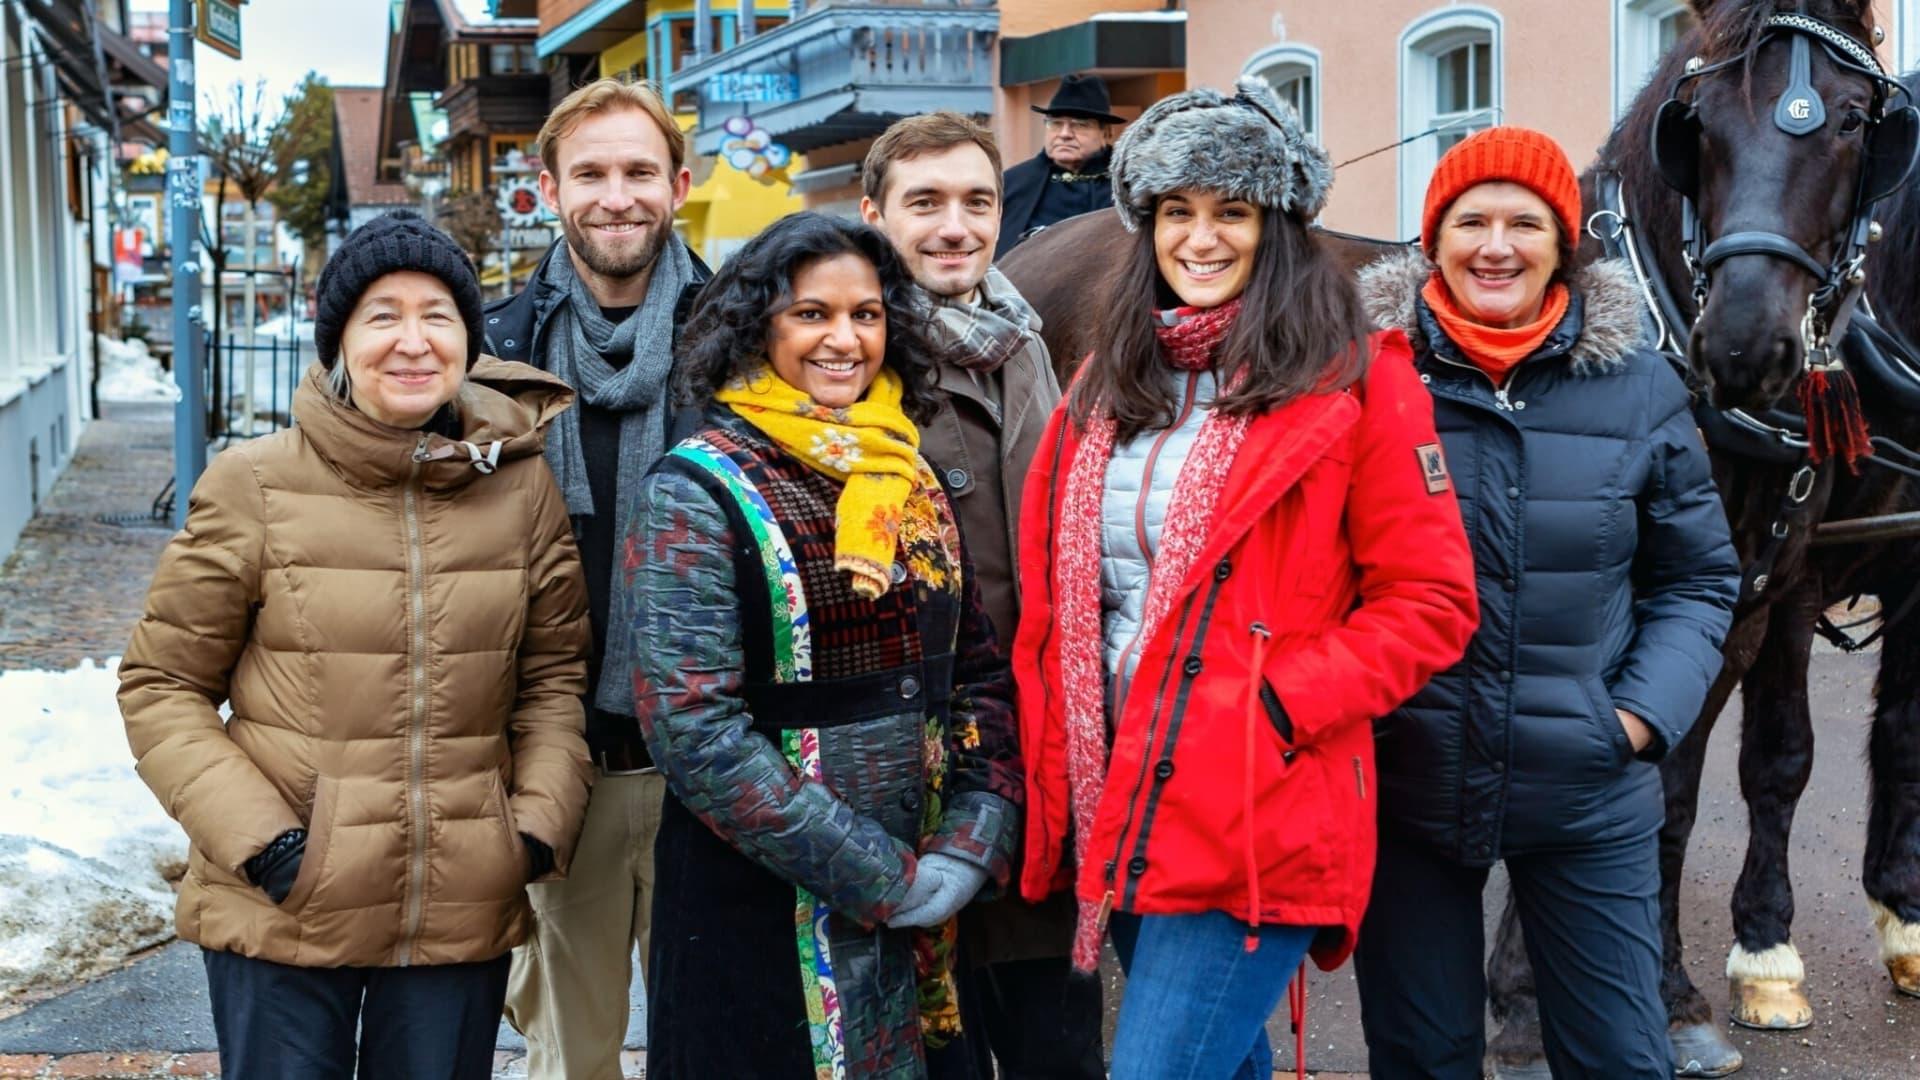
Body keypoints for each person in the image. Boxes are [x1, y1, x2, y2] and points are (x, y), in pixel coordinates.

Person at [1012, 78, 1481, 1080]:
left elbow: (1433, 602)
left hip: (1255, 804)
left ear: (1278, 224)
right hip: (1119, 790)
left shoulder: (1359, 378)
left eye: (1232, 210)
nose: (1203, 237)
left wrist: (1273, 705)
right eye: (1177, 211)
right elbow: (1067, 595)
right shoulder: (1105, 383)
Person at [118, 210, 593, 1079]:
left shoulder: (521, 488)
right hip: (284, 909)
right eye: (382, 315)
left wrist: (526, 831)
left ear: (467, 338)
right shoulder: (254, 483)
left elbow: (554, 678)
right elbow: (161, 686)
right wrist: (268, 846)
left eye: (437, 315)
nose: (412, 341)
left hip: (457, 906)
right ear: (339, 339)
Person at [1351, 126, 1741, 1079]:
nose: (1497, 245)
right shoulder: (1365, 378)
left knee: (1617, 1055)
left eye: (1524, 222)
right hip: (1405, 781)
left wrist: (1638, 720)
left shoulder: (1639, 387)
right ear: (1431, 242)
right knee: (1421, 1056)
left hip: (1587, 786)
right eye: (1470, 221)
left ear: (1562, 244)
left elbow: (1697, 578)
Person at [630, 212, 1022, 1078]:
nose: (845, 339)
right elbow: (693, 730)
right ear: (758, 325)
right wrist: (879, 876)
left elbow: (976, 673)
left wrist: (971, 837)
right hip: (759, 910)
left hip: (928, 899)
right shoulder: (698, 484)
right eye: (812, 314)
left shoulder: (906, 474)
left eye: (868, 315)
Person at [860, 113, 1101, 1079]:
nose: (955, 227)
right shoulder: (850, 362)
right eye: (925, 204)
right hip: (919, 788)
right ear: (874, 215)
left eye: (976, 202)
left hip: (1041, 773)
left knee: (1060, 1053)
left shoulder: (1024, 342)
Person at [483, 77, 711, 1080]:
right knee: (568, 1057)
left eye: (637, 171)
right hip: (561, 763)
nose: (615, 195)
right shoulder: (493, 354)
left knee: (714, 1050)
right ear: (547, 189)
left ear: (679, 184)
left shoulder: (750, 346)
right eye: (590, 173)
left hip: (711, 765)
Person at [995, 74, 1124, 258]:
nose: (1064, 134)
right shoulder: (1012, 183)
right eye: (1055, 124)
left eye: (1080, 125)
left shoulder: (1129, 184)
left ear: (1106, 133)